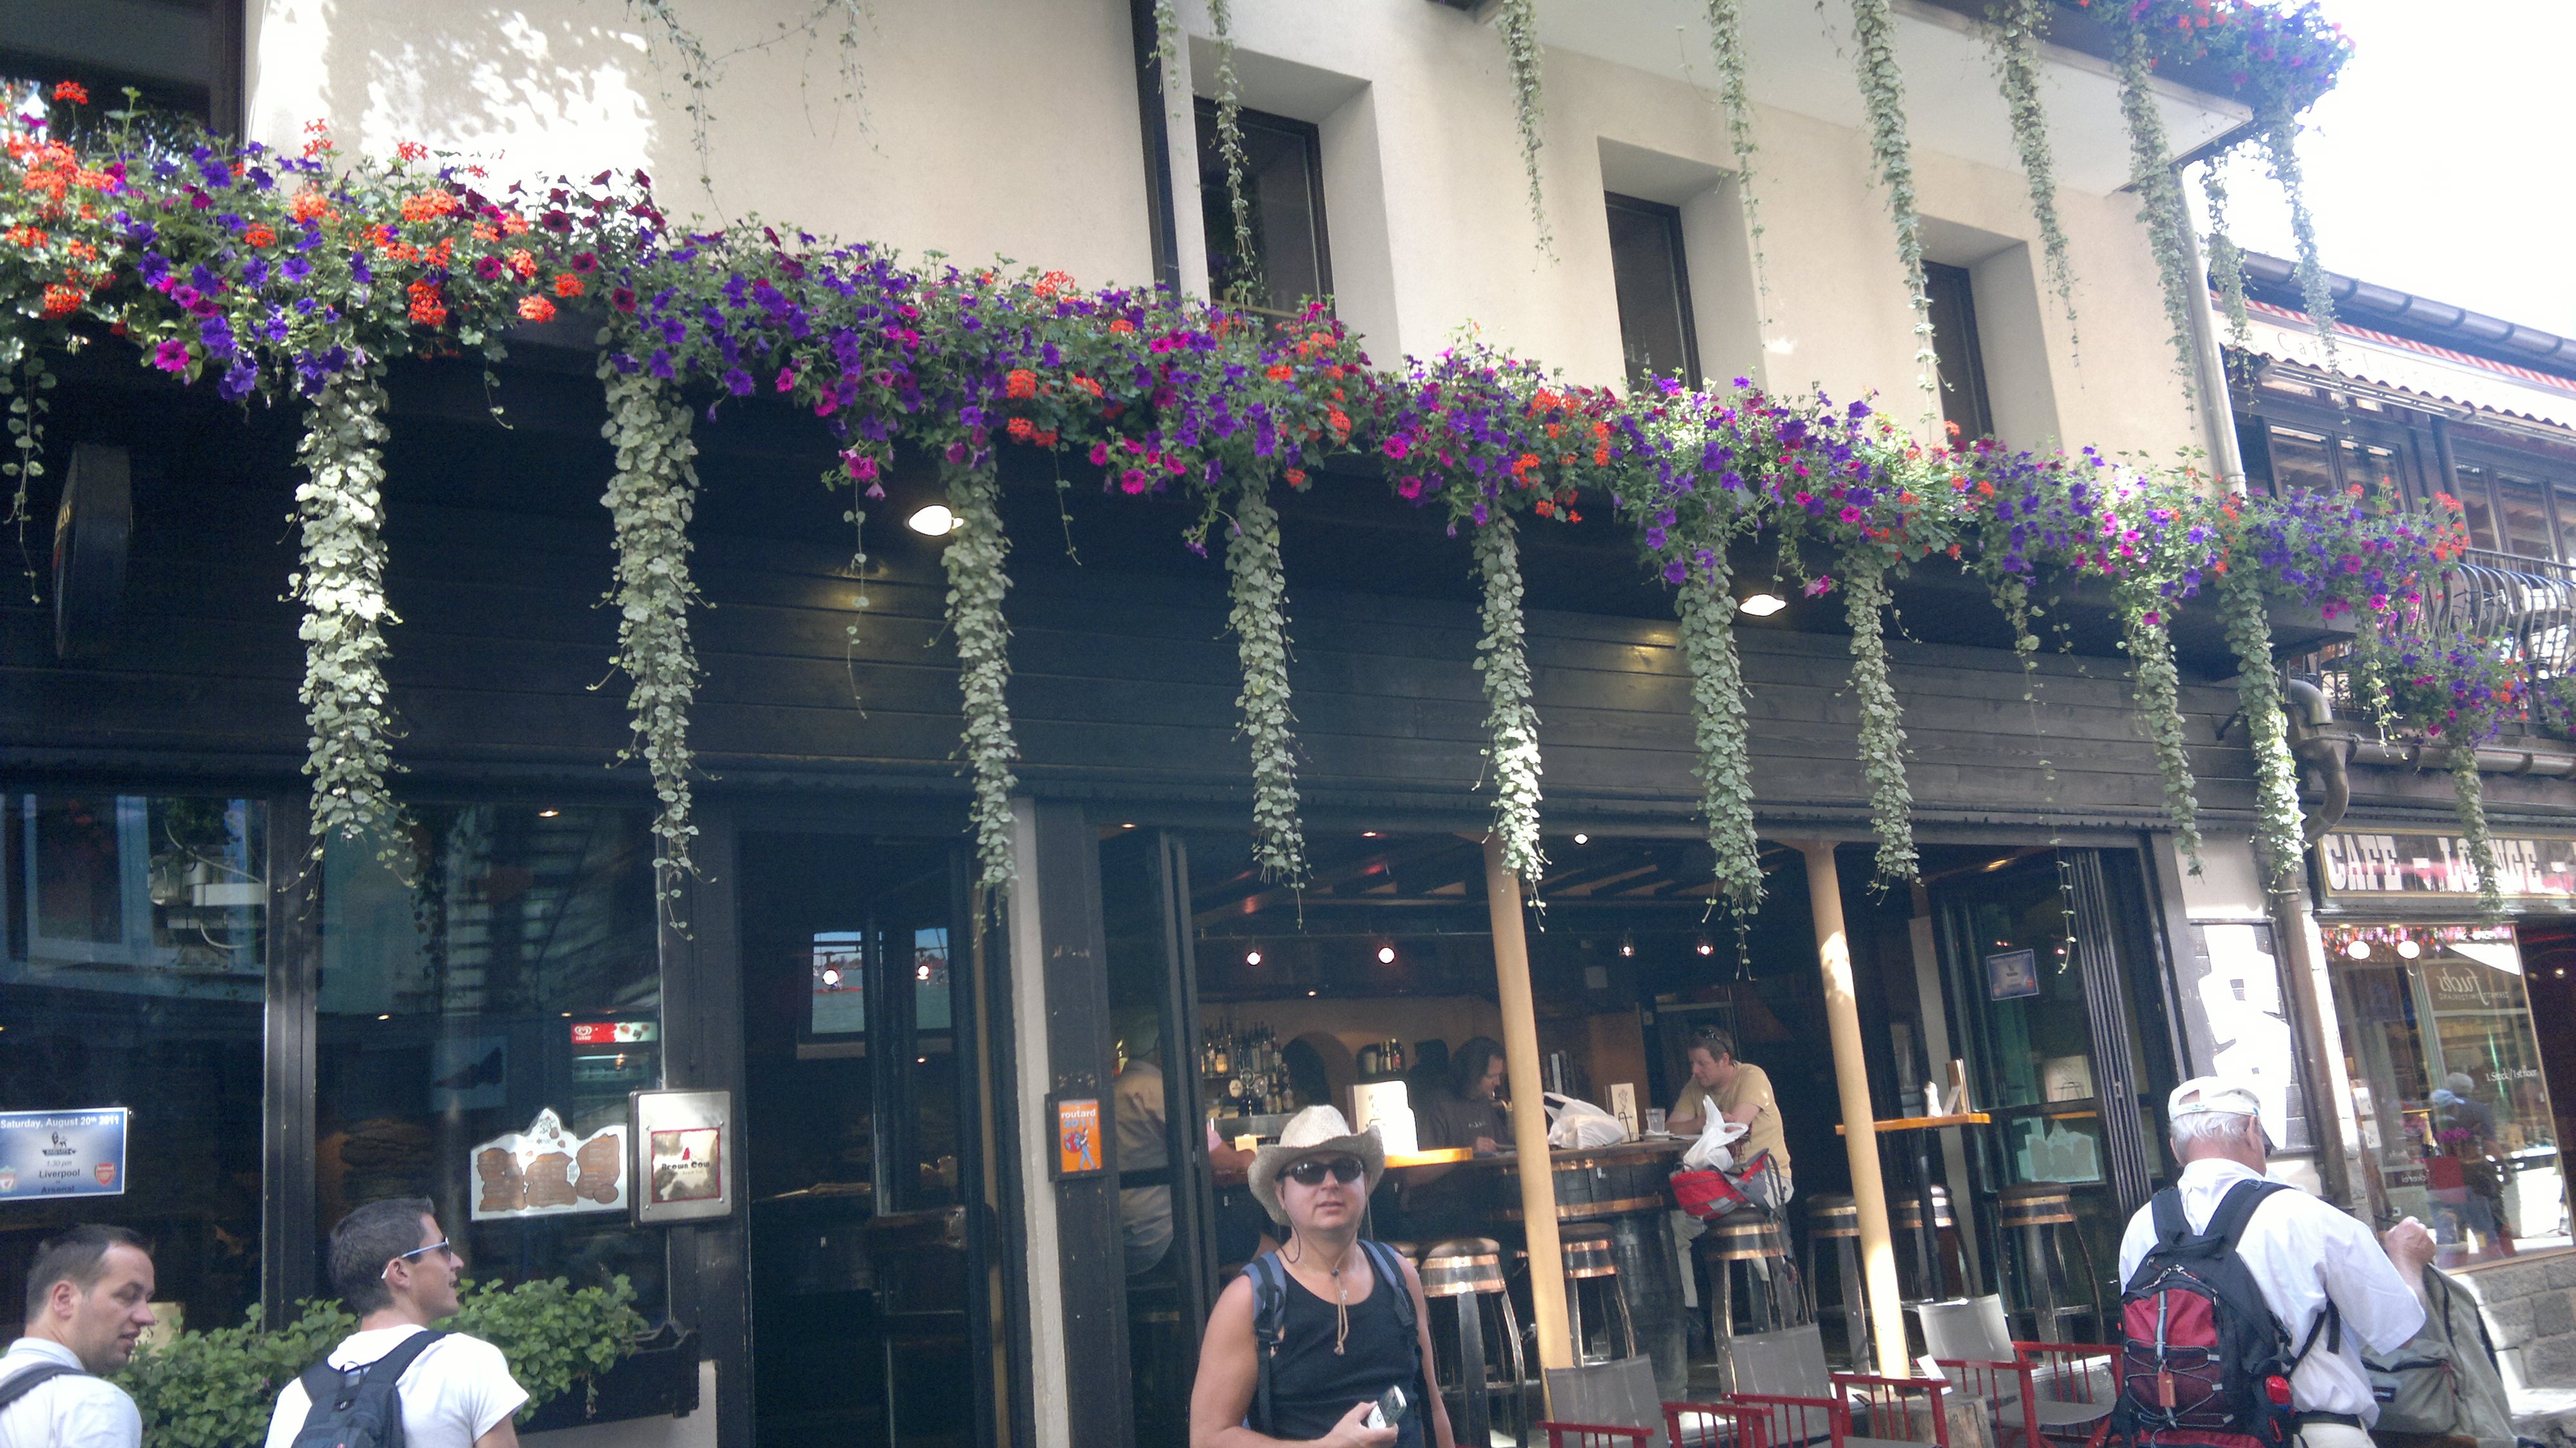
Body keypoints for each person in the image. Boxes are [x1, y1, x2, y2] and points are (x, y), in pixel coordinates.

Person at [2117, 1077, 2435, 1448]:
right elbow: (2402, 1332)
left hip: (2178, 1438)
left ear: (2175, 1148)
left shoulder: (2141, 1227)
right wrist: (2407, 1259)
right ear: (2252, 1131)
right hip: (2311, 1433)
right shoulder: (2307, 1216)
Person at [1189, 1105, 1454, 1448]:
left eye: (1346, 1169)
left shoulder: (1399, 1276)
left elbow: (1432, 1407)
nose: (1330, 1183)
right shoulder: (1252, 1299)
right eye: (1308, 1171)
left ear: (1367, 1182)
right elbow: (1208, 1438)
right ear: (1281, 1193)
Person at [264, 1199, 527, 1448]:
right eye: (443, 1249)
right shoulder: (468, 1361)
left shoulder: (296, 1398)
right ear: (400, 1272)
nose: (457, 1262)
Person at [0, 1224, 156, 1448]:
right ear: (64, 1300)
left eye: (147, 1299)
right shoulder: (96, 1404)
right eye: (128, 1296)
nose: (147, 1317)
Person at [1665, 1025, 1792, 1203]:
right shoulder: (1695, 1085)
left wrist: (1706, 1129)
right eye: (1692, 1063)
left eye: (1702, 1064)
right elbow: (1670, 1129)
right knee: (1683, 1212)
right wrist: (1701, 1122)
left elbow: (1734, 1129)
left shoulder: (1752, 1076)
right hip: (1720, 1179)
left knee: (1718, 1208)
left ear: (1724, 1060)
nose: (1694, 1071)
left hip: (1765, 1176)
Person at [1414, 1037, 1508, 1155]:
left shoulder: (1482, 1101)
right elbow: (1427, 1163)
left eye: (1498, 1075)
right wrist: (1468, 1152)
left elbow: (1505, 1145)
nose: (1498, 1082)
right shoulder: (1439, 1107)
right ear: (1472, 1074)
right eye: (1490, 1077)